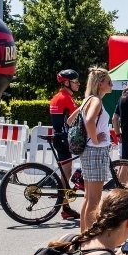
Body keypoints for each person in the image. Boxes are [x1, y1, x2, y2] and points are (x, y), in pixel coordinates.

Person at [80, 67, 114, 233]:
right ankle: (90, 237)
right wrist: (95, 138)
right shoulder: (96, 101)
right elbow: (89, 119)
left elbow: (74, 118)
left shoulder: (88, 99)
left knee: (88, 198)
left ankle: (83, 236)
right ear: (101, 84)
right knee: (94, 199)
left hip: (89, 151)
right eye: (109, 82)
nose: (112, 85)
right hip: (95, 151)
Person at [49, 70, 83, 219]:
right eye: (75, 81)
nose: (78, 84)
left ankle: (66, 206)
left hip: (60, 138)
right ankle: (66, 202)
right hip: (64, 139)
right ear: (67, 82)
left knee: (65, 173)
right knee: (67, 173)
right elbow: (79, 119)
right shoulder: (67, 98)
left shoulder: (57, 97)